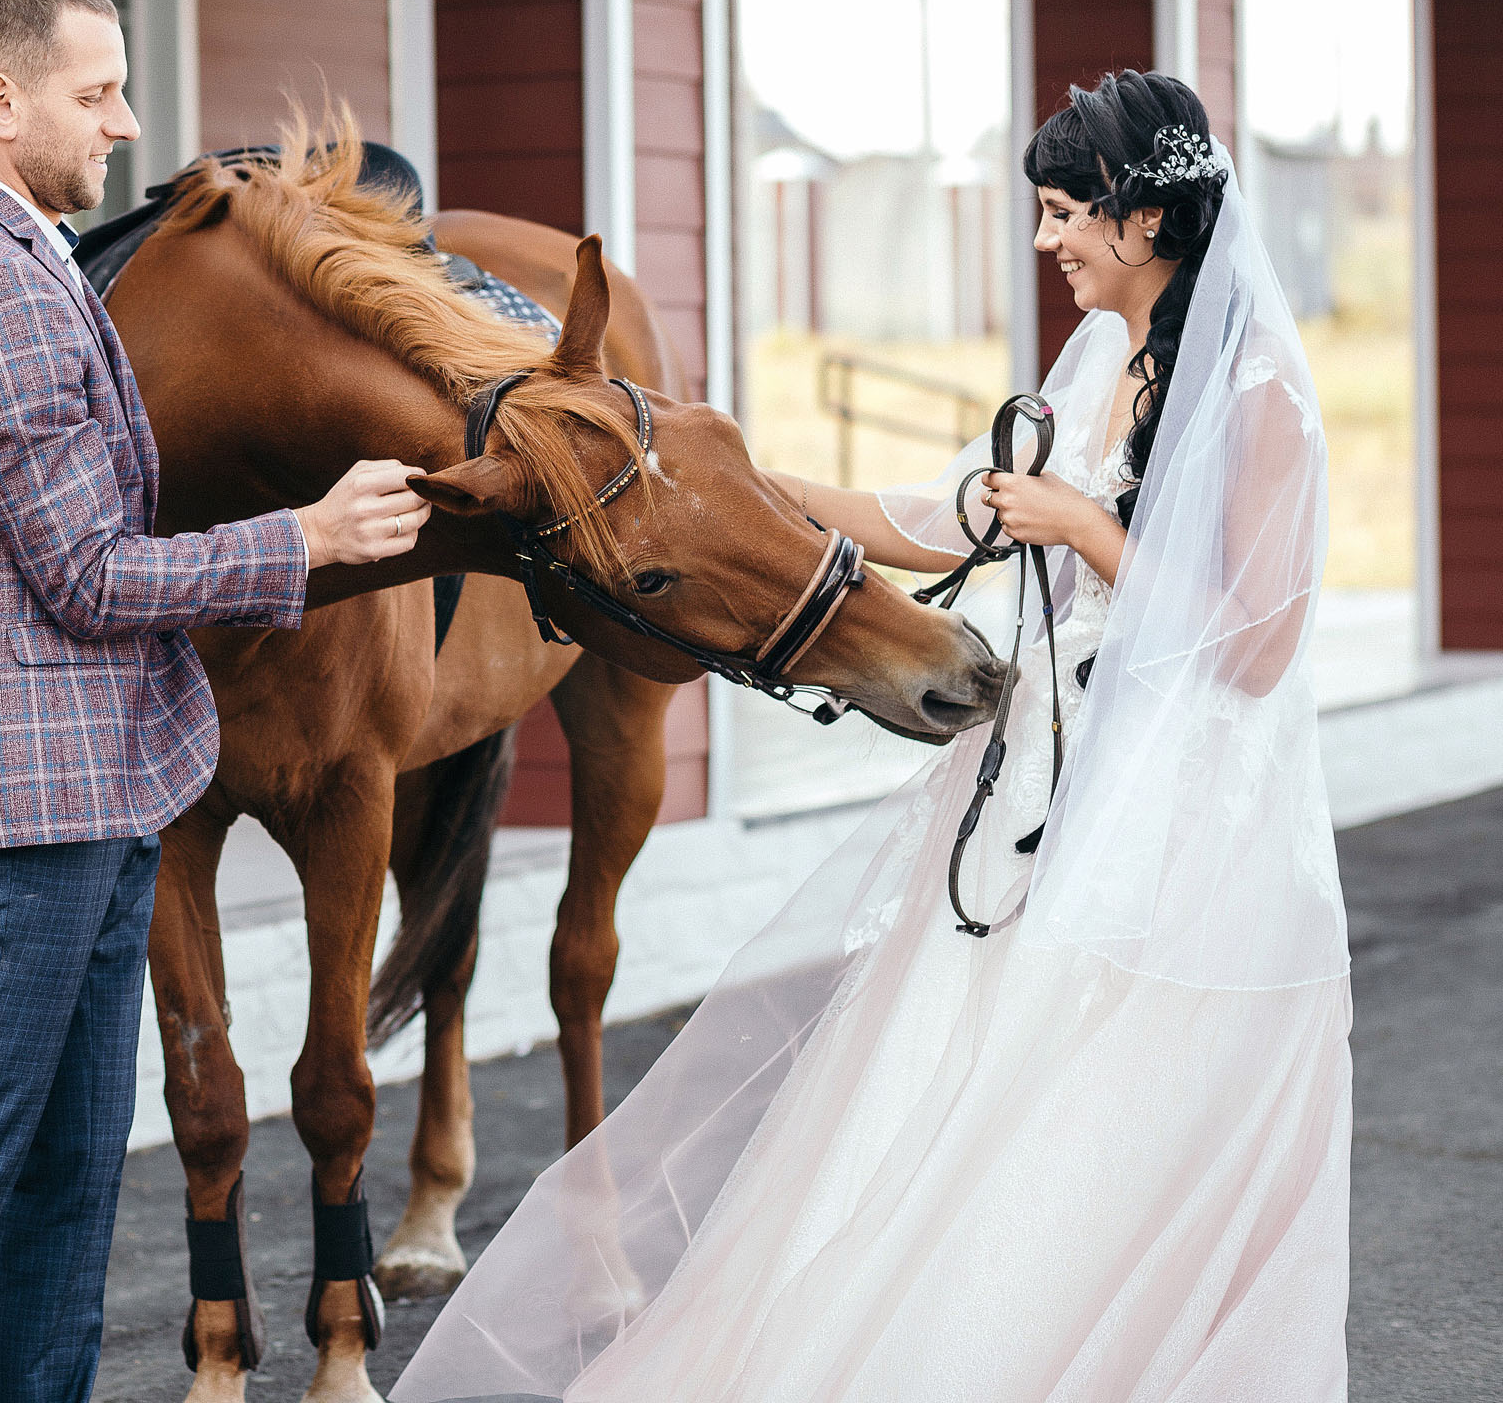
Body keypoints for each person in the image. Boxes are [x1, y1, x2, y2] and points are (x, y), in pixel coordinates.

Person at [395, 70, 1351, 1402]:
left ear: (1144, 222)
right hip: (1036, 788)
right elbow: (935, 513)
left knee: (1120, 1101)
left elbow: (1256, 646)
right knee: (978, 1091)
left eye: (1065, 213)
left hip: (1188, 818)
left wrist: (1079, 528)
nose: (1046, 241)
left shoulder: (1258, 395)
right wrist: (724, 488)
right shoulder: (1098, 368)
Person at [0, 0, 431, 1403]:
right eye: (96, 96)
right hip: (36, 813)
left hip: (102, 794)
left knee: (72, 1179)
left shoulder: (26, 255)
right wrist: (309, 539)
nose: (125, 124)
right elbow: (90, 574)